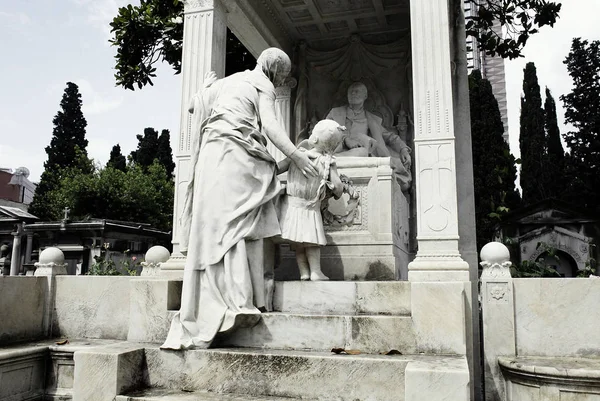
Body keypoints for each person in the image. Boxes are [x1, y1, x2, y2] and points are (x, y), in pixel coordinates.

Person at [161, 48, 317, 350]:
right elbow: (271, 127)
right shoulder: (263, 84)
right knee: (239, 227)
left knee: (217, 228)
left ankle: (223, 300)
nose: (280, 80)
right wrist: (297, 155)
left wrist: (204, 89)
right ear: (275, 71)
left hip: (211, 158)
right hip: (236, 157)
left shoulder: (226, 83)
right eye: (282, 76)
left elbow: (195, 107)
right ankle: (238, 300)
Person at [277, 120, 345, 281]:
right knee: (311, 242)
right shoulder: (327, 162)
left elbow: (276, 168)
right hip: (310, 209)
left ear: (313, 139)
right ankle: (315, 271)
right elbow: (338, 187)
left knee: (298, 243)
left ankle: (304, 273)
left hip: (292, 206)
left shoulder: (297, 155)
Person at [326, 82, 412, 190]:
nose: (353, 93)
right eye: (350, 92)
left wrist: (403, 149)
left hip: (361, 154)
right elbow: (325, 130)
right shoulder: (335, 113)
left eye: (357, 91)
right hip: (337, 150)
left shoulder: (371, 120)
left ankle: (331, 161)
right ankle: (330, 160)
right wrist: (345, 139)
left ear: (365, 96)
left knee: (363, 152)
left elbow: (390, 137)